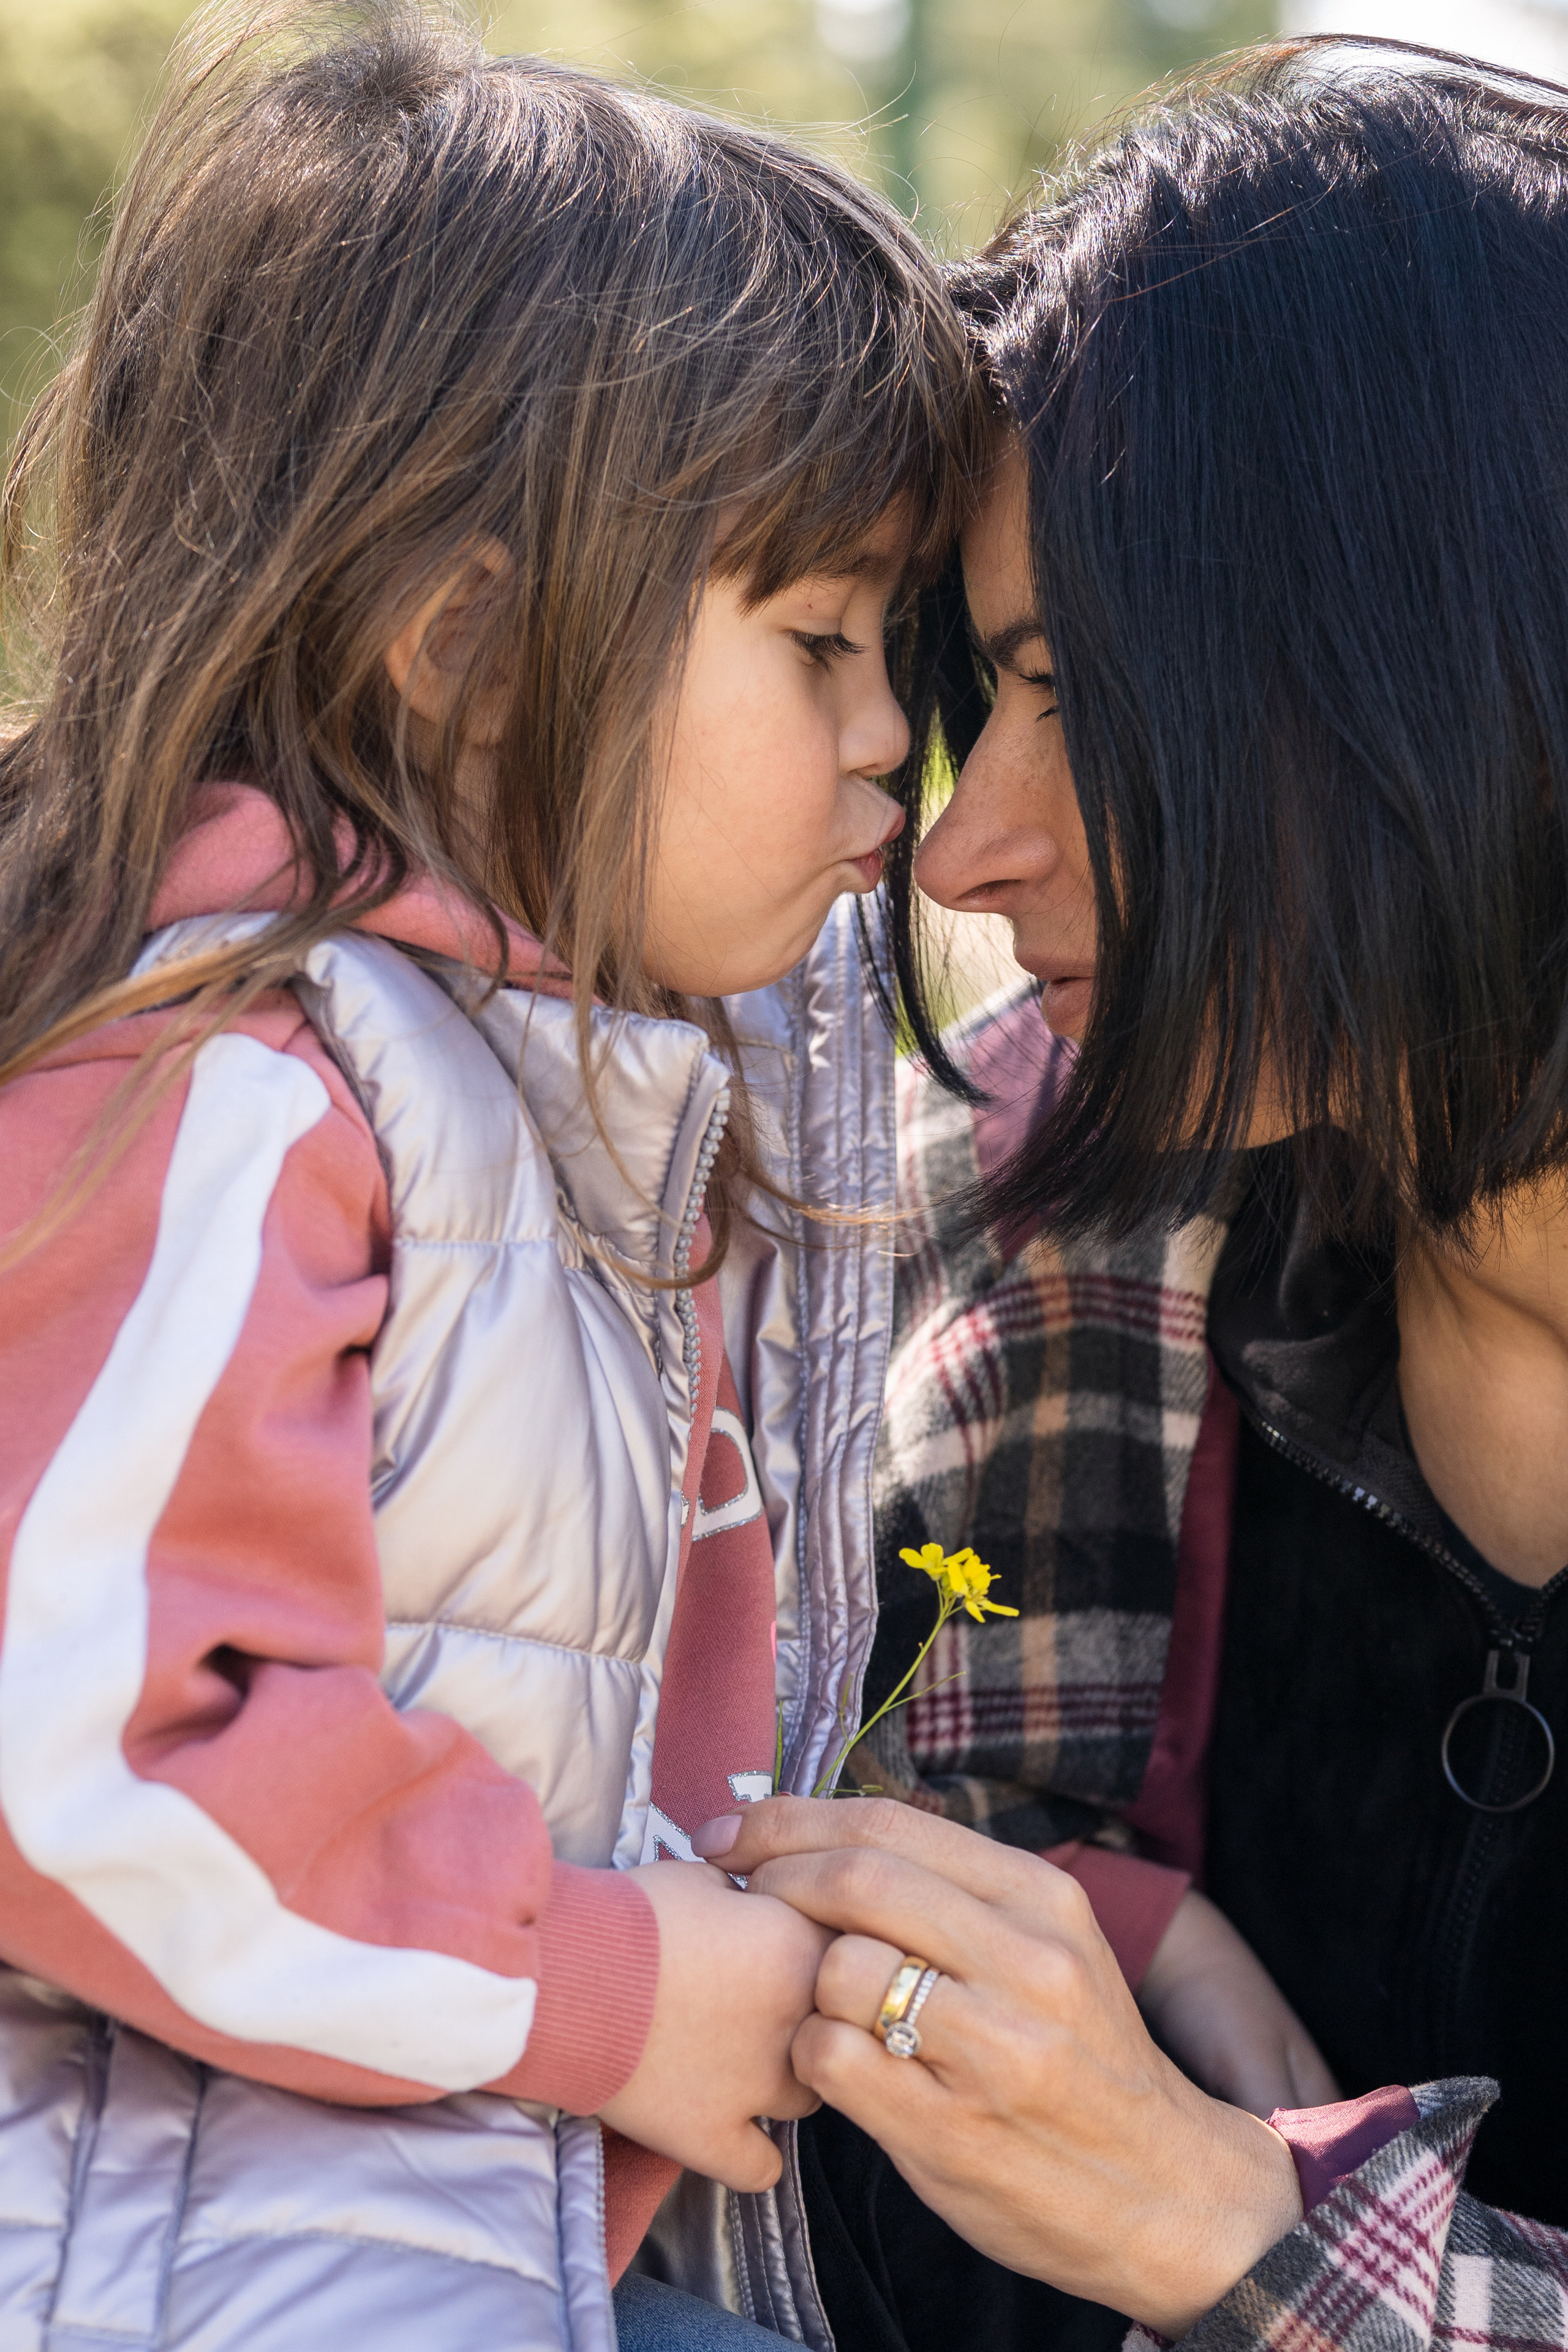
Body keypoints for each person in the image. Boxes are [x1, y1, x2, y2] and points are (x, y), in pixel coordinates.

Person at [0, 4, 985, 2343]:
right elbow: (93, 1757)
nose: (892, 761)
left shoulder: (562, 1119)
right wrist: (612, 1989)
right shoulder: (238, 1088)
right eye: (829, 643)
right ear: (468, 645)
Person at [692, 35, 1568, 2352]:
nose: (960, 846)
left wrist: (1221, 2232)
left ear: (1439, 663)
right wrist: (1043, 1896)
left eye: (1081, 693)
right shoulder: (1025, 1210)